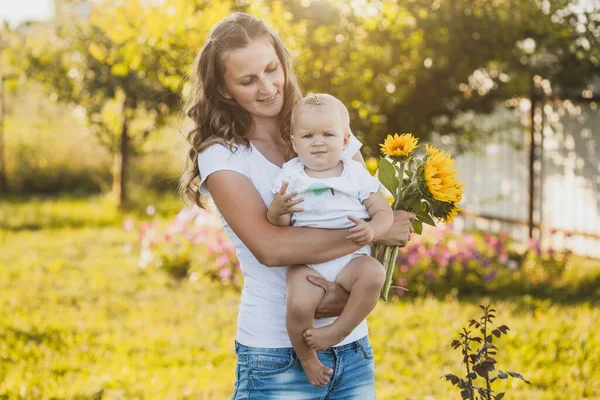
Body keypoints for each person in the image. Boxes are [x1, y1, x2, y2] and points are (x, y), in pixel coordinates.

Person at [179, 12, 415, 399]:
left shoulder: (323, 125)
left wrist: (365, 254)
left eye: (272, 69)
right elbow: (271, 249)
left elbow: (367, 208)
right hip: (276, 357)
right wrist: (375, 229)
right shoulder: (223, 156)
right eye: (247, 80)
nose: (268, 87)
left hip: (352, 347)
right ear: (223, 90)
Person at [267, 93, 392, 387]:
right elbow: (279, 223)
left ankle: (339, 330)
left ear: (346, 141)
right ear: (295, 143)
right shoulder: (291, 174)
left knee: (374, 274)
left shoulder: (356, 174)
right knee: (297, 304)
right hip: (307, 262)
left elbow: (383, 212)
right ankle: (308, 359)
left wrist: (373, 231)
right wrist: (278, 210)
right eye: (308, 135)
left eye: (328, 134)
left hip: (351, 260)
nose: (318, 141)